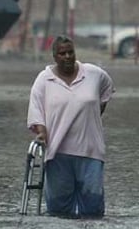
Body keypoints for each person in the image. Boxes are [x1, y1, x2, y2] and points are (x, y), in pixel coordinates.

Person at [27, 35, 115, 218]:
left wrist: (96, 113)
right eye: (62, 53)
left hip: (90, 151)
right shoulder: (44, 79)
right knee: (59, 210)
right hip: (58, 153)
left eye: (70, 52)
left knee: (93, 210)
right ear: (54, 56)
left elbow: (107, 88)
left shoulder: (93, 73)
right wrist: (41, 133)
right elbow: (36, 110)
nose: (67, 56)